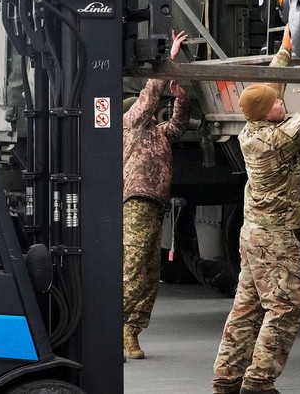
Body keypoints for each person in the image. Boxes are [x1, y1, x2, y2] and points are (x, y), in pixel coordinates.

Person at [212, 27, 300, 394]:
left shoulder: (254, 129)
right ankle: (258, 382)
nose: (283, 103)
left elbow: (272, 91)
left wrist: (284, 52)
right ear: (269, 114)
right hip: (274, 240)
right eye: (277, 104)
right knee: (284, 308)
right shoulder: (278, 139)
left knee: (247, 310)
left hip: (254, 235)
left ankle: (226, 380)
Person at [122, 30, 189, 359]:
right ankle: (114, 325)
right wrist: (170, 60)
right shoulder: (130, 125)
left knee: (150, 273)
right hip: (136, 203)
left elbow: (178, 125)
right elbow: (148, 96)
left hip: (155, 206)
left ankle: (131, 332)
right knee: (133, 267)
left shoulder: (158, 134)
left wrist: (181, 98)